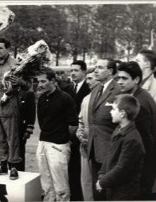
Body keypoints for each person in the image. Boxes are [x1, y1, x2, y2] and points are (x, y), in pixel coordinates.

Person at [116, 61, 156, 200]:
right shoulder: (140, 95)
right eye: (118, 78)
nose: (119, 82)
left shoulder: (138, 103)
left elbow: (144, 141)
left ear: (136, 79)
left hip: (143, 166)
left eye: (124, 78)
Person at [0, 38, 30, 180]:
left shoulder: (17, 64)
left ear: (7, 49)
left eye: (0, 48)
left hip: (11, 101)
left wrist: (21, 82)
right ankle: (2, 164)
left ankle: (13, 167)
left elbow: (28, 86)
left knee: (12, 137)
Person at [36, 67, 79, 201]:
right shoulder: (42, 98)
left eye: (43, 81)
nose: (40, 85)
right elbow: (42, 122)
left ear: (53, 81)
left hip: (59, 146)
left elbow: (73, 124)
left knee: (61, 187)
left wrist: (63, 139)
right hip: (43, 143)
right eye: (39, 82)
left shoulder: (65, 98)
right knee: (47, 184)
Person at [96, 94, 145, 200]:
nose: (110, 112)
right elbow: (109, 156)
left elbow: (122, 168)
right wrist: (101, 175)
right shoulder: (118, 131)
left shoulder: (132, 139)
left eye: (113, 109)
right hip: (114, 188)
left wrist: (103, 182)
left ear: (122, 113)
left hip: (125, 192)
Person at [87, 58, 120, 200]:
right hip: (94, 149)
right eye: (95, 67)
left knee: (108, 191)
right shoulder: (96, 89)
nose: (95, 70)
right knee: (97, 191)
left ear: (110, 71)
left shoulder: (118, 90)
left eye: (100, 67)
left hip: (110, 151)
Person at [61, 60, 90, 201]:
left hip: (81, 135)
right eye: (71, 70)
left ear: (84, 72)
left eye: (76, 70)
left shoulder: (89, 89)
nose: (73, 73)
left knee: (80, 170)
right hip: (66, 134)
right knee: (68, 169)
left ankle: (79, 197)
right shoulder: (66, 89)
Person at [76, 67, 99, 201]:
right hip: (85, 148)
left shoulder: (103, 99)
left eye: (90, 79)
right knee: (86, 181)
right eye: (87, 79)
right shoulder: (85, 99)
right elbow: (80, 121)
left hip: (98, 148)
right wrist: (79, 134)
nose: (87, 82)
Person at [15, 88, 36, 171]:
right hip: (10, 126)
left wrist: (29, 130)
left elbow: (31, 112)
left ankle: (19, 171)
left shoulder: (28, 93)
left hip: (21, 127)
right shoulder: (10, 91)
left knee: (19, 151)